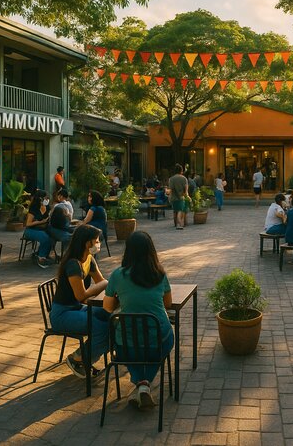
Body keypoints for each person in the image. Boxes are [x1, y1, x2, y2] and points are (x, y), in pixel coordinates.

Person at [103, 231, 173, 409]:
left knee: (124, 346)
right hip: (158, 340)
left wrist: (122, 298)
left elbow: (107, 307)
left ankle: (140, 383)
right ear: (151, 251)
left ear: (128, 251)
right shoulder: (159, 274)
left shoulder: (118, 275)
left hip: (127, 344)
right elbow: (168, 304)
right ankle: (144, 384)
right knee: (166, 342)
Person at [50, 224, 109, 380]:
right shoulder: (73, 264)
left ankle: (85, 358)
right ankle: (78, 358)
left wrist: (106, 287)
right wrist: (103, 285)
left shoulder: (89, 259)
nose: (98, 244)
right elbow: (81, 296)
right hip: (62, 314)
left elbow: (101, 281)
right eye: (96, 240)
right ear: (86, 242)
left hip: (77, 309)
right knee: (101, 327)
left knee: (109, 316)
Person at [24, 190, 52, 269]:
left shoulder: (47, 207)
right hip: (31, 230)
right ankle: (41, 258)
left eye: (47, 198)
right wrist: (40, 222)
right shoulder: (34, 208)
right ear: (40, 198)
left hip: (43, 228)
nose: (47, 200)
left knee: (52, 237)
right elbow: (28, 223)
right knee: (45, 237)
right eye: (45, 198)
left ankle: (42, 254)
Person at [168, 164, 189, 230]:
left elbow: (171, 189)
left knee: (175, 210)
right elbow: (186, 190)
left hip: (173, 197)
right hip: (181, 197)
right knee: (180, 210)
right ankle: (179, 224)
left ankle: (175, 223)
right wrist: (187, 196)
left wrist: (169, 196)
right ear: (181, 171)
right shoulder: (184, 178)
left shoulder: (171, 179)